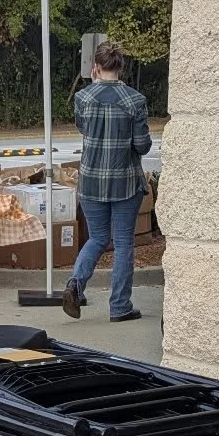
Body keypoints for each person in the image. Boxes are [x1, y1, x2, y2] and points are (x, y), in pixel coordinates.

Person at [62, 41, 152, 324]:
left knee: (98, 237)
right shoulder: (135, 100)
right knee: (123, 242)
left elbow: (83, 129)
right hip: (125, 181)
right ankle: (120, 305)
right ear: (120, 67)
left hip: (91, 181)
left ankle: (76, 284)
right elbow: (143, 146)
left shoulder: (83, 98)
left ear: (95, 68)